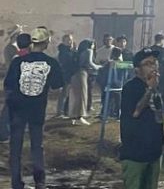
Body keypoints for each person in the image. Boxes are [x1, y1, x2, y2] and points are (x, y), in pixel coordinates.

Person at [4, 27, 64, 189]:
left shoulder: (17, 61)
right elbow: (57, 86)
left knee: (15, 146)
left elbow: (8, 85)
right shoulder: (51, 63)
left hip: (17, 109)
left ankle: (16, 182)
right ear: (46, 43)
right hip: (37, 109)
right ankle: (40, 181)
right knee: (37, 145)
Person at [120, 47, 164, 189]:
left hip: (154, 152)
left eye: (155, 62)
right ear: (137, 69)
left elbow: (159, 116)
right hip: (135, 153)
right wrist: (150, 89)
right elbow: (135, 112)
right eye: (148, 64)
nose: (153, 67)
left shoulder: (156, 87)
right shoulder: (131, 87)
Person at [69, 39, 99, 125]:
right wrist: (99, 67)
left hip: (75, 74)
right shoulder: (89, 51)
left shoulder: (79, 52)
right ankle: (80, 116)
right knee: (82, 95)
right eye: (93, 44)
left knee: (75, 96)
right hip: (82, 73)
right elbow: (90, 63)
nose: (94, 46)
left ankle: (74, 116)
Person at [96, 47, 124, 119]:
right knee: (118, 101)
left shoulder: (109, 63)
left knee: (107, 101)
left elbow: (103, 71)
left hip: (109, 85)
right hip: (119, 85)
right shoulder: (123, 64)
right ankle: (118, 115)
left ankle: (104, 115)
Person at [56, 33, 77, 118]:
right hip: (65, 75)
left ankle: (64, 111)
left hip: (69, 74)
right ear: (63, 41)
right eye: (68, 40)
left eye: (71, 40)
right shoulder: (64, 51)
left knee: (66, 94)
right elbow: (67, 63)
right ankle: (60, 112)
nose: (70, 42)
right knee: (64, 94)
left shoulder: (69, 50)